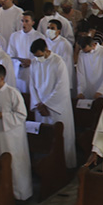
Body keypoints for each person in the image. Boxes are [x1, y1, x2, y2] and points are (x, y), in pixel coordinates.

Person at [0, 64, 33, 200]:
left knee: (15, 165)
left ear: (1, 77)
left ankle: (20, 195)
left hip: (12, 138)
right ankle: (2, 194)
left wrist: (3, 115)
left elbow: (22, 115)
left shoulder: (13, 93)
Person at [29, 39, 77, 167]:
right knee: (44, 137)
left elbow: (62, 86)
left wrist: (47, 104)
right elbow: (32, 85)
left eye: (39, 55)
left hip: (56, 107)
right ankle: (44, 165)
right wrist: (38, 104)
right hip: (40, 107)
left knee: (60, 136)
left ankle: (64, 165)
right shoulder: (34, 62)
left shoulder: (58, 62)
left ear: (46, 50)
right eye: (35, 56)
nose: (37, 58)